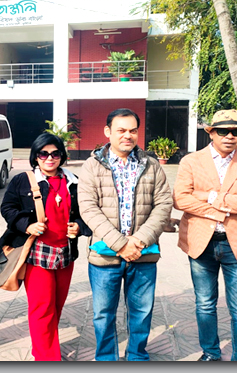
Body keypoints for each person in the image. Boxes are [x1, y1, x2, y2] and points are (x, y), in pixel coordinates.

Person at [173, 109, 237, 362]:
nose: (230, 136)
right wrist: (227, 209)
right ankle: (211, 354)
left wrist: (211, 197)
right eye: (223, 130)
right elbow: (180, 199)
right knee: (205, 304)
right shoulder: (191, 161)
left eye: (236, 131)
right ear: (211, 133)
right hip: (200, 244)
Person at [78, 108, 173, 361]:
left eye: (132, 130)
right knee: (103, 314)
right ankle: (106, 359)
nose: (127, 135)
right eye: (121, 130)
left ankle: (137, 357)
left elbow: (164, 204)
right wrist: (120, 244)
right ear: (108, 132)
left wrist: (139, 240)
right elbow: (88, 208)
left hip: (143, 253)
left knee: (141, 312)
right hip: (105, 255)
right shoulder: (91, 166)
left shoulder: (151, 165)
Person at [0, 133, 91, 361]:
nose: (49, 158)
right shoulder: (22, 180)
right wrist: (27, 225)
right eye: (43, 154)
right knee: (42, 307)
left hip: (65, 253)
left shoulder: (74, 182)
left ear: (62, 156)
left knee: (57, 305)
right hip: (37, 253)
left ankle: (43, 346)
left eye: (55, 154)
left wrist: (78, 227)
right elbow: (7, 208)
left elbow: (87, 212)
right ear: (36, 156)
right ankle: (47, 357)